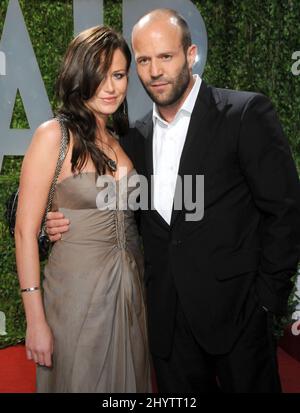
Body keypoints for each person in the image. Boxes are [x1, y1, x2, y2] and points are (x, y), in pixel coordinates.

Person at [46, 9, 300, 393]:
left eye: (166, 56)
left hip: (238, 316)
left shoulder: (243, 113)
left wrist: (266, 301)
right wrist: (52, 217)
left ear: (191, 54)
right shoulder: (133, 138)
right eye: (144, 60)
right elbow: (67, 185)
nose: (154, 71)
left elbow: (286, 210)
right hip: (165, 323)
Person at [14, 25, 151, 393]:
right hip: (76, 297)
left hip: (130, 297)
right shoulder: (53, 136)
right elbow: (25, 231)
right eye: (100, 74)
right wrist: (35, 320)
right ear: (80, 75)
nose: (111, 87)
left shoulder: (124, 141)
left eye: (119, 75)